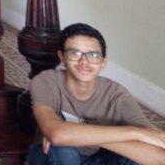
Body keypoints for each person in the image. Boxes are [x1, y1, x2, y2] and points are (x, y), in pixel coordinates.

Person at [29, 23, 165, 165]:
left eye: (93, 55)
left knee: (134, 158)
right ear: (62, 56)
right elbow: (57, 134)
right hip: (53, 157)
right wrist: (133, 133)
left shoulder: (117, 95)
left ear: (103, 63)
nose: (84, 61)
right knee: (62, 146)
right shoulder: (46, 81)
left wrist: (73, 134)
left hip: (99, 158)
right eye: (74, 53)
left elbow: (160, 157)